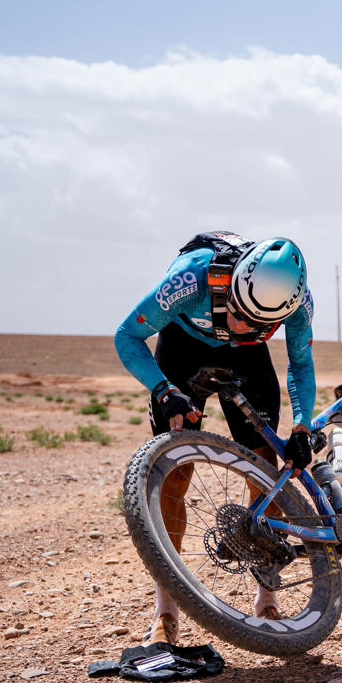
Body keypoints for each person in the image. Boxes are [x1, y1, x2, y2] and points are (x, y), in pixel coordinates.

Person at [114, 231, 317, 645]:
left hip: (247, 358)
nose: (241, 325)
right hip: (182, 348)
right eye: (239, 313)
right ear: (232, 284)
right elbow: (127, 335)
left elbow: (301, 364)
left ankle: (266, 596)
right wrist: (163, 391)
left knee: (266, 472)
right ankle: (165, 612)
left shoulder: (297, 305)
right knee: (173, 474)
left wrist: (302, 427)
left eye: (258, 324)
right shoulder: (191, 278)